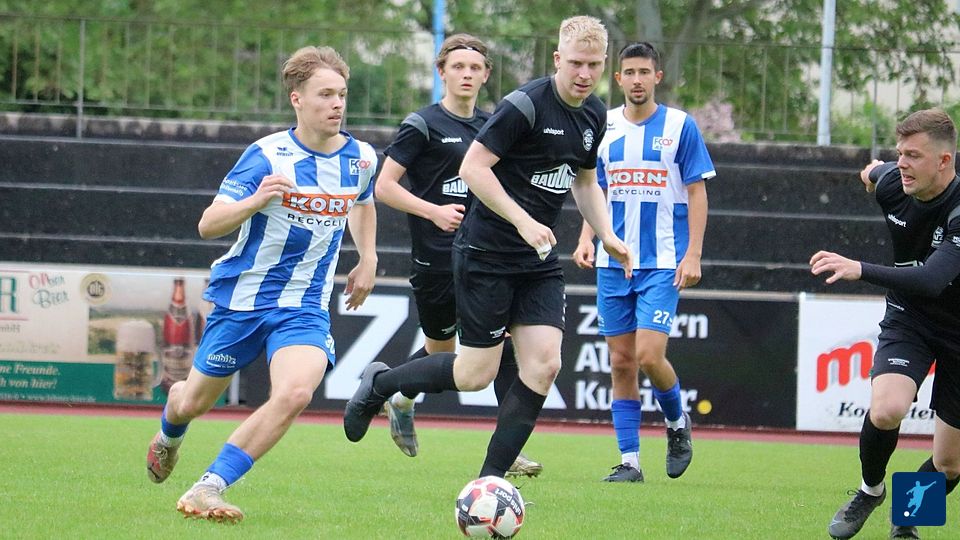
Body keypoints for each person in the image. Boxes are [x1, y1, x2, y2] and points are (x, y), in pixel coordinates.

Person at [344, 15, 632, 479]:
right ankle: (381, 383)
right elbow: (474, 169)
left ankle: (490, 481)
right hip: (486, 255)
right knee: (474, 374)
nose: (584, 74)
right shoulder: (525, 105)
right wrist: (522, 220)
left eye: (594, 65)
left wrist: (609, 235)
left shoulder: (595, 113)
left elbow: (584, 181)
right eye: (576, 63)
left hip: (537, 261)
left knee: (544, 365)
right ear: (557, 58)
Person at [145, 45, 378, 523]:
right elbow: (208, 224)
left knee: (295, 393)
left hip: (304, 305)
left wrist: (368, 256)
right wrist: (255, 200)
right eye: (325, 94)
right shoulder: (267, 156)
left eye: (342, 94)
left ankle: (210, 486)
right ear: (297, 99)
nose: (337, 104)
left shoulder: (361, 158)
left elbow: (363, 201)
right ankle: (170, 427)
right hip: (243, 300)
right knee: (194, 402)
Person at [374, 34, 542, 477]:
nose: (467, 74)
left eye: (475, 68)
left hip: (486, 258)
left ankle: (508, 449)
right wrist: (432, 211)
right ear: (442, 72)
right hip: (436, 261)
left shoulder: (494, 125)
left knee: (504, 345)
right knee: (442, 352)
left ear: (486, 75)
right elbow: (384, 187)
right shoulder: (422, 124)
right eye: (458, 67)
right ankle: (400, 395)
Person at [810, 108, 960, 539]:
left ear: (944, 161)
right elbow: (874, 172)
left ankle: (907, 518)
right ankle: (870, 490)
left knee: (950, 463)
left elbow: (932, 279)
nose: (903, 164)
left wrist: (860, 268)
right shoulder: (894, 182)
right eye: (900, 154)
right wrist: (873, 172)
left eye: (914, 156)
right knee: (887, 408)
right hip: (910, 319)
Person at [572, 41, 714, 483]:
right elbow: (593, 187)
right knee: (620, 362)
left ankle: (676, 422)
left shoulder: (680, 125)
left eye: (644, 72)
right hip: (613, 262)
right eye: (629, 72)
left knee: (649, 355)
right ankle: (630, 461)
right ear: (618, 79)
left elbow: (697, 191)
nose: (637, 80)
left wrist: (693, 253)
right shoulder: (603, 125)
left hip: (663, 261)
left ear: (657, 77)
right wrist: (587, 238)